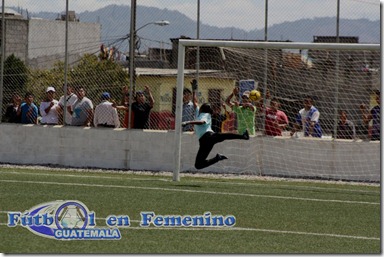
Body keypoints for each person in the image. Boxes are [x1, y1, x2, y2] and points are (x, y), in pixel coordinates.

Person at [182, 81, 250, 170]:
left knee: (225, 136)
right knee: (198, 165)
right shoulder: (199, 112)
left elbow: (202, 122)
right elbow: (195, 102)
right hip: (203, 142)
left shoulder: (205, 115)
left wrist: (188, 122)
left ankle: (243, 136)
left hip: (208, 136)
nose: (199, 106)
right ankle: (217, 158)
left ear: (203, 109)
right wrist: (194, 89)